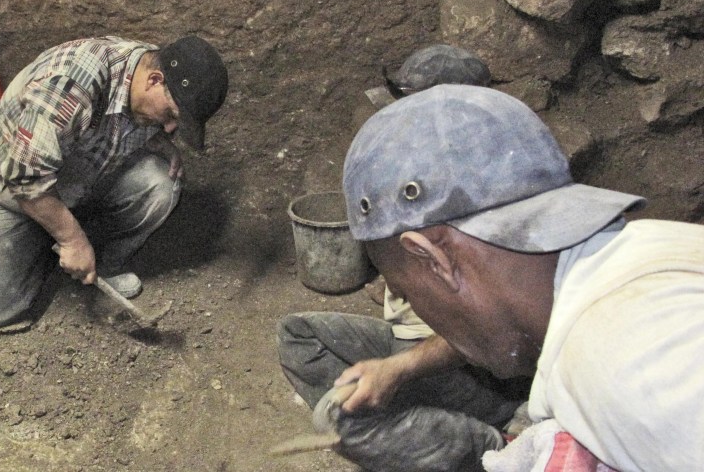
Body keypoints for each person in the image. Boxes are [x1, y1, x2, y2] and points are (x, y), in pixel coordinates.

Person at [341, 84, 704, 471]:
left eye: (408, 293)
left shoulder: (633, 362)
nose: (419, 311)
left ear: (434, 259)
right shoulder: (649, 251)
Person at [277, 45, 523, 472]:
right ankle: (414, 434)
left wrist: (399, 370)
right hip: (413, 342)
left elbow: (490, 333)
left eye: (407, 105)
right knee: (297, 335)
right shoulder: (417, 171)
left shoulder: (486, 189)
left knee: (338, 421)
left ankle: (492, 444)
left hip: (465, 366)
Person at [0, 35, 228, 330]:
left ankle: (93, 256)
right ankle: (53, 238)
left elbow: (127, 121)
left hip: (74, 179)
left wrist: (158, 140)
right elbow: (24, 176)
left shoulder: (145, 71)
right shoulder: (73, 84)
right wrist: (71, 238)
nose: (171, 127)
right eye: (171, 115)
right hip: (2, 189)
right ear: (154, 81)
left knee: (161, 182)